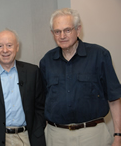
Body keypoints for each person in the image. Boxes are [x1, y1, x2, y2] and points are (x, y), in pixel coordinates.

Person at [40, 8, 121, 146]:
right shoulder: (46, 61)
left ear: (78, 30)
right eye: (57, 31)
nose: (62, 36)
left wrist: (118, 136)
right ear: (52, 33)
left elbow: (114, 99)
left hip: (92, 135)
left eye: (67, 30)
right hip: (56, 136)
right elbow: (41, 101)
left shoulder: (99, 55)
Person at [0, 29, 46, 146]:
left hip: (27, 138)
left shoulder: (33, 72)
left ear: (17, 47)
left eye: (9, 45)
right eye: (0, 46)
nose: (5, 50)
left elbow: (40, 108)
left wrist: (37, 132)